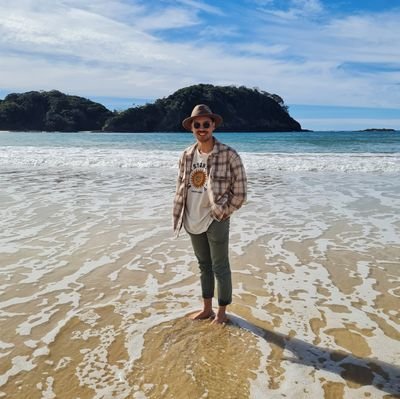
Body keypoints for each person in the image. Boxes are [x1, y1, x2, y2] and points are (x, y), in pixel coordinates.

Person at [173, 104, 247, 324]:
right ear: (192, 128)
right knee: (203, 265)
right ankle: (207, 309)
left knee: (220, 266)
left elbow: (241, 191)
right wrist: (181, 213)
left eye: (206, 124)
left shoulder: (229, 154)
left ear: (213, 125)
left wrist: (224, 212)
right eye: (198, 125)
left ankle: (222, 313)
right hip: (191, 218)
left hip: (216, 218)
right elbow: (180, 185)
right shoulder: (186, 155)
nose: (202, 128)